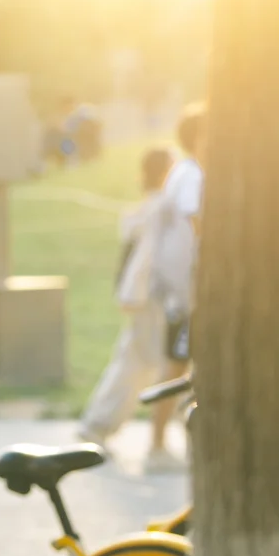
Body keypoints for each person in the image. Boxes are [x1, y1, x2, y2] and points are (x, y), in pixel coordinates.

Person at [76, 146, 174, 452]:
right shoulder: (162, 208)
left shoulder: (146, 208)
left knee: (135, 361)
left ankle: (97, 424)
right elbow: (147, 259)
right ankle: (159, 443)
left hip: (144, 298)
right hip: (154, 298)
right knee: (168, 366)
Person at [146, 102, 207, 469]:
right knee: (177, 364)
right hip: (185, 291)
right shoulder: (192, 175)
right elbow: (196, 222)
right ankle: (156, 445)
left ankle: (167, 442)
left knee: (181, 363)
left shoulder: (187, 172)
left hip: (183, 288)